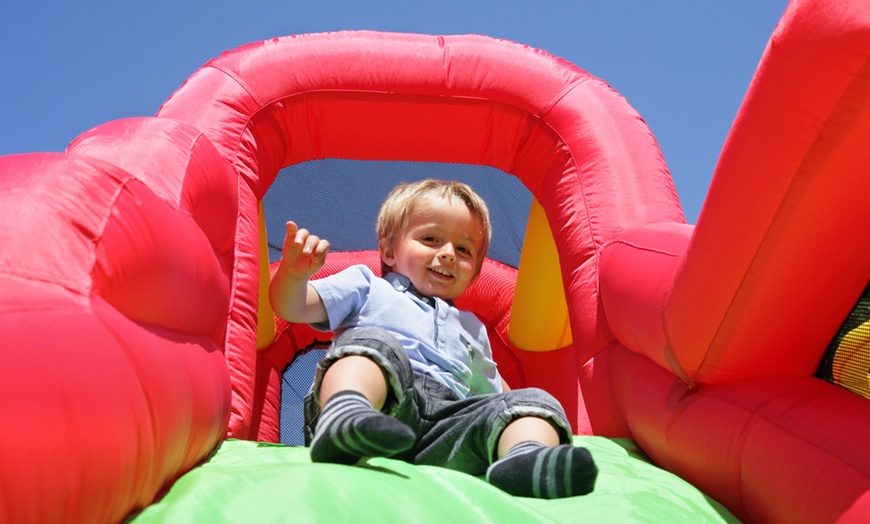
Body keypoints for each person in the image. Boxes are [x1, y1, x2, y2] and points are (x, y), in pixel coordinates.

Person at [269, 179, 597, 499]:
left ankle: (525, 460)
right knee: (374, 346)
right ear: (388, 249)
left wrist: (525, 409)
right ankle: (346, 417)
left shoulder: (471, 328)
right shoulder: (368, 287)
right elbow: (292, 306)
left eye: (464, 249)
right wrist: (293, 275)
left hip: (442, 432)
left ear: (475, 272)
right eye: (431, 238)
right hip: (380, 406)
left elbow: (496, 395)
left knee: (532, 400)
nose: (449, 254)